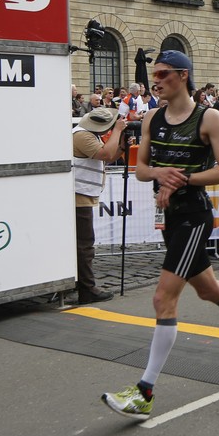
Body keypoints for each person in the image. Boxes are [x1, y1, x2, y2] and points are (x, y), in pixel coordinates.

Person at [102, 51, 219, 420]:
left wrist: (182, 178)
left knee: (163, 298)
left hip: (194, 217)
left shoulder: (208, 117)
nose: (156, 80)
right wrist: (160, 174)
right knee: (208, 289)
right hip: (169, 216)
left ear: (183, 75)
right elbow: (141, 169)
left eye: (163, 74)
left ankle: (145, 391)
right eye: (154, 74)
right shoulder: (152, 117)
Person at [72, 108, 127, 304]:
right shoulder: (82, 136)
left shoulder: (88, 134)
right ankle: (87, 289)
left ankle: (81, 284)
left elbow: (109, 156)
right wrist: (118, 131)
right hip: (79, 195)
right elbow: (105, 154)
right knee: (85, 244)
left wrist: (121, 147)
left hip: (83, 194)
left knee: (83, 244)